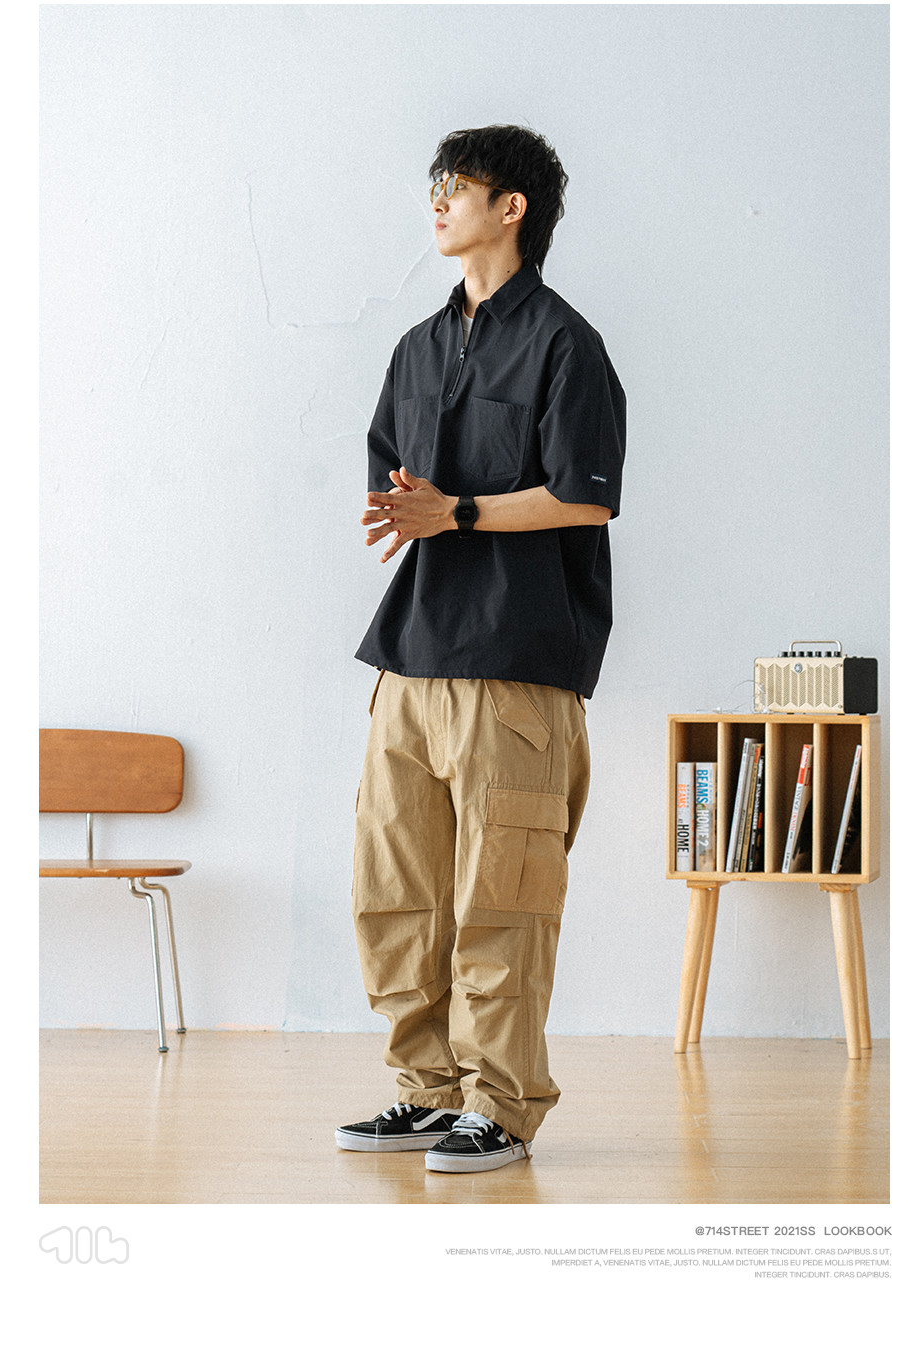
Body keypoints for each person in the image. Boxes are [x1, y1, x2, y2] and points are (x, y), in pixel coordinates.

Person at [335, 125, 626, 1174]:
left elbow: (585, 498)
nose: (437, 201)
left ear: (512, 207)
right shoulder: (415, 348)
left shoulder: (566, 344)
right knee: (394, 891)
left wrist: (455, 511)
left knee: (503, 897)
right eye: (435, 185)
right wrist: (418, 508)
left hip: (517, 663)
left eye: (456, 185)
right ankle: (427, 1091)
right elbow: (394, 482)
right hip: (410, 659)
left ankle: (501, 1106)